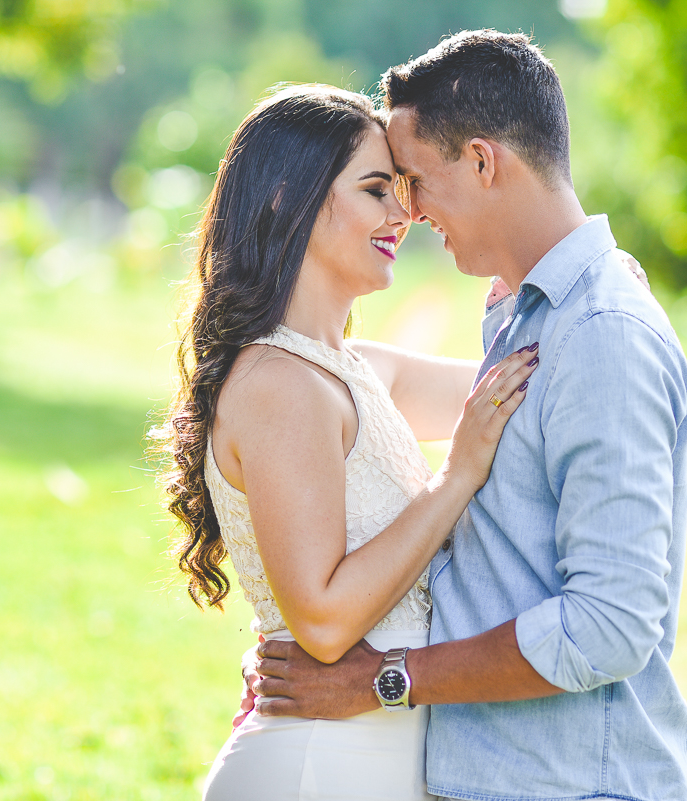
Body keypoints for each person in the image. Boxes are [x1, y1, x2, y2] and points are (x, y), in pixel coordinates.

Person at [249, 30, 687, 801]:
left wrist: (385, 678)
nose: (410, 211)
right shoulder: (536, 319)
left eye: (415, 180)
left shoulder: (602, 333)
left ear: (484, 162)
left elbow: (609, 625)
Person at [163, 83, 541, 801]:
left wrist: (585, 282)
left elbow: (526, 384)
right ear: (289, 201)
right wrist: (456, 475)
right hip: (316, 764)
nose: (403, 213)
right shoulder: (280, 384)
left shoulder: (357, 370)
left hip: (365, 757)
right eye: (375, 190)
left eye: (400, 188)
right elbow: (326, 621)